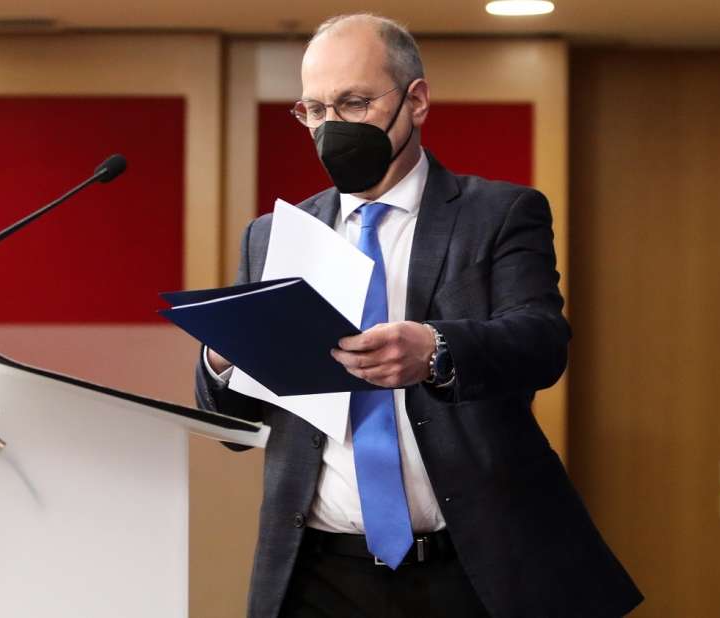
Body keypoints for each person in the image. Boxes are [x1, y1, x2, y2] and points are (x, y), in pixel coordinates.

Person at [196, 13, 642, 618]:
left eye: (354, 103)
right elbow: (235, 425)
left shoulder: (499, 213)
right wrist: (223, 357)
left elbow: (540, 344)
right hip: (317, 571)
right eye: (315, 110)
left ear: (417, 100)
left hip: (470, 567)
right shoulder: (273, 234)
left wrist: (435, 350)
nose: (331, 127)